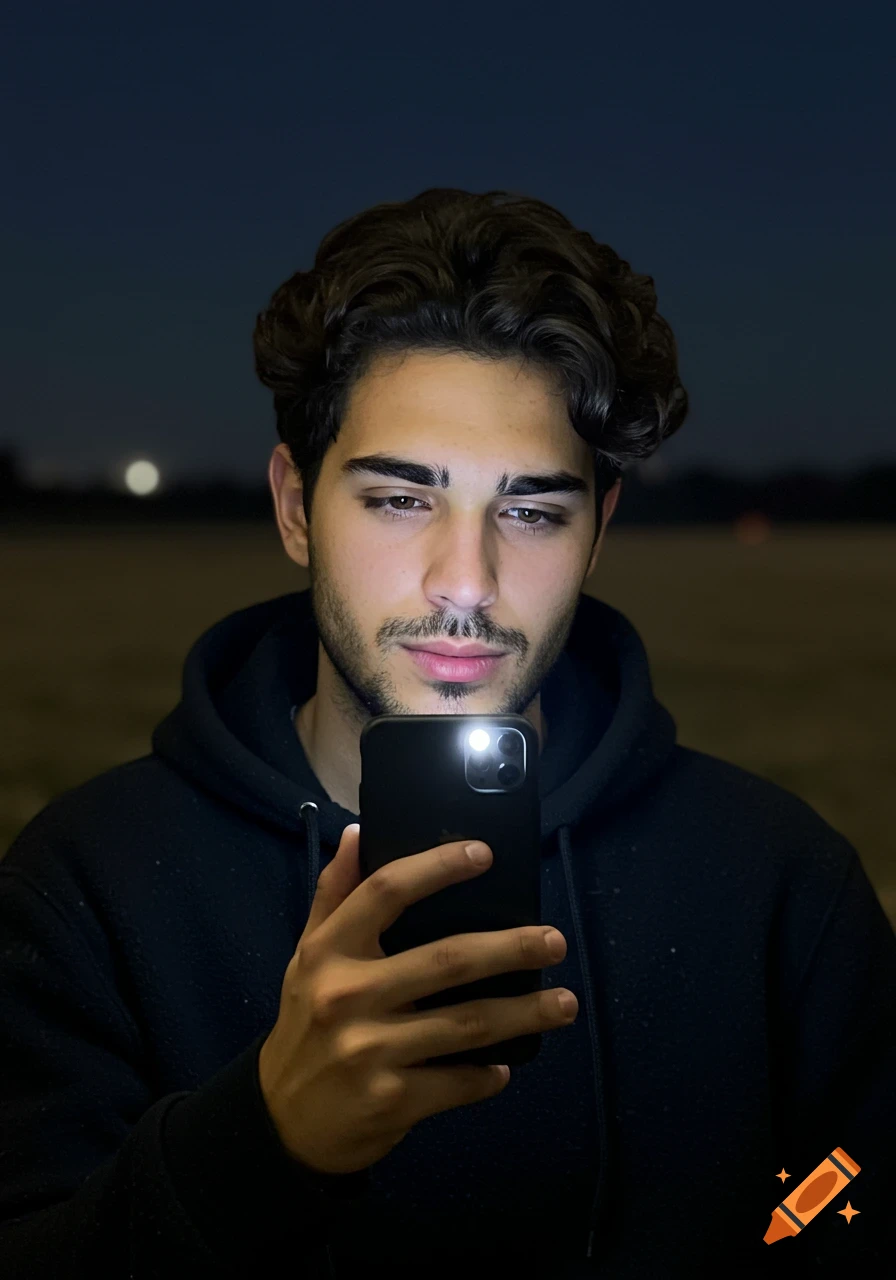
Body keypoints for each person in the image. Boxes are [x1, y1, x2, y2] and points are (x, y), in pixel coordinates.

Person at [1, 188, 893, 1279]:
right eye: (398, 499)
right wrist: (264, 1140)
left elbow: (846, 1190)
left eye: (529, 510)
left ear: (598, 531)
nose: (464, 582)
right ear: (294, 507)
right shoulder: (83, 889)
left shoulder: (779, 883)